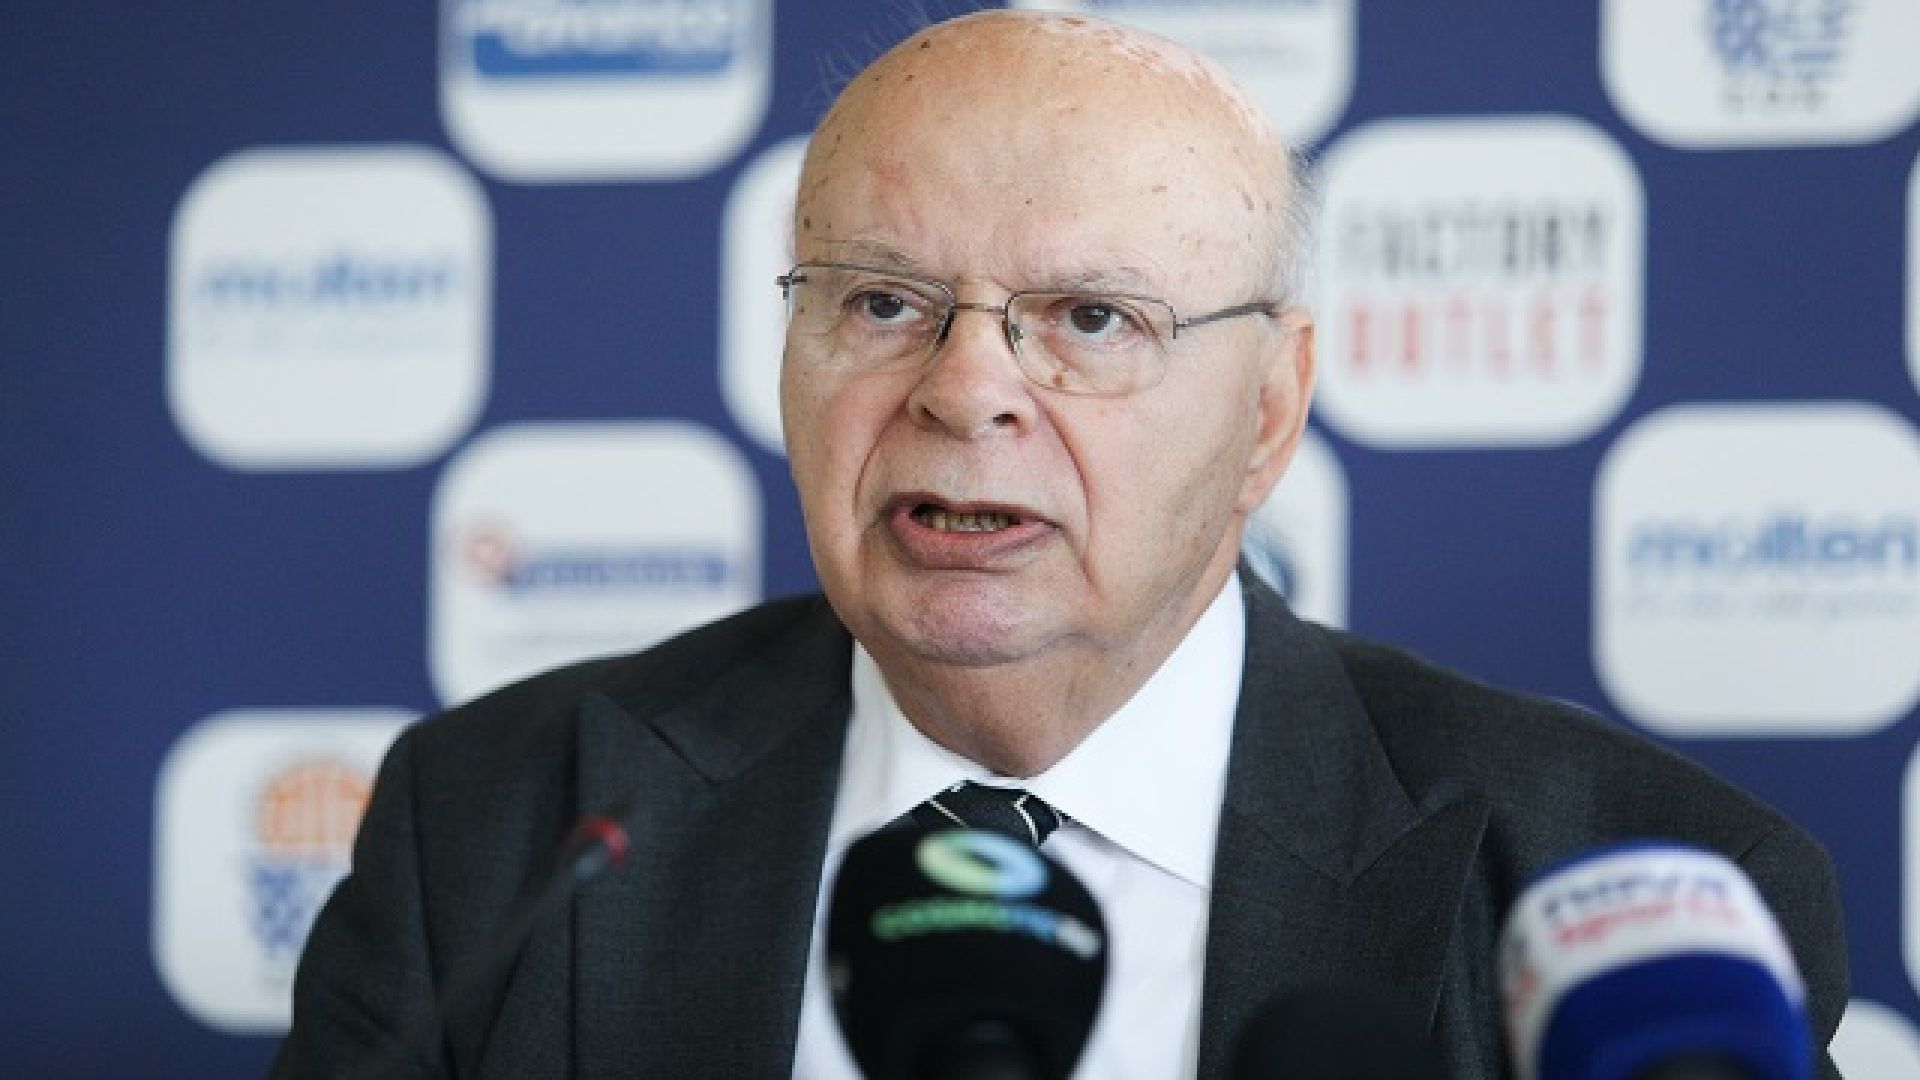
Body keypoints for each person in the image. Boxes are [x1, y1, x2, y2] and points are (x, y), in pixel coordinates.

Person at [274, 11, 1847, 1079]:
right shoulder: (495, 828)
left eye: (1091, 318)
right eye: (882, 300)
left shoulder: (1621, 894)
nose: (965, 389)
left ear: (1270, 411)